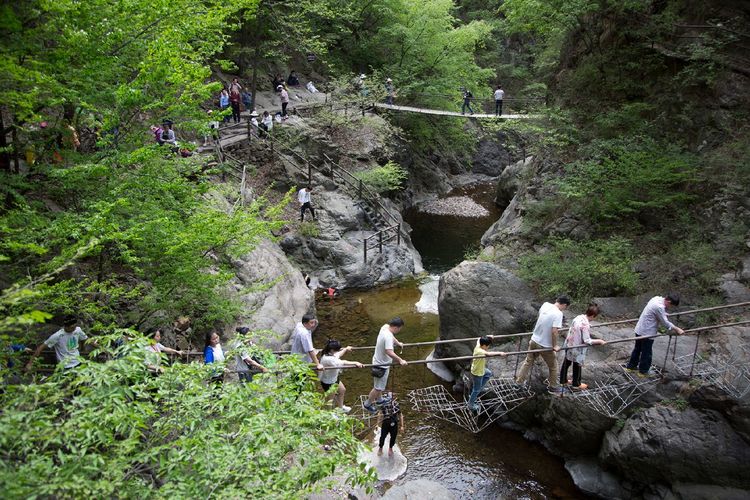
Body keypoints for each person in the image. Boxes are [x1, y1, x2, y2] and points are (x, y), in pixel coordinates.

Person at [515, 296, 570, 394]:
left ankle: (518, 383)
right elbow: (554, 332)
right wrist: (554, 346)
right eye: (565, 307)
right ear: (564, 305)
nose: (564, 309)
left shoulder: (545, 305)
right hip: (545, 345)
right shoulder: (558, 314)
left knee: (528, 362)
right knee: (553, 366)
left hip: (534, 340)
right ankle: (553, 387)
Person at [626, 294, 684, 377]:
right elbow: (665, 322)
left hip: (640, 328)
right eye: (671, 305)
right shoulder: (659, 307)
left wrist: (663, 313)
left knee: (638, 348)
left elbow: (656, 312)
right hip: (647, 332)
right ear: (669, 301)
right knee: (647, 352)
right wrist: (677, 329)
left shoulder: (656, 298)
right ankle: (643, 371)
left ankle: (631, 367)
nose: (670, 307)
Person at [364, 318, 408, 413]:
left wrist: (398, 343)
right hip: (381, 365)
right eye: (400, 328)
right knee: (378, 387)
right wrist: (400, 360)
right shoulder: (387, 336)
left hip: (379, 361)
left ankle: (379, 400)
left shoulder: (385, 327)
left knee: (380, 385)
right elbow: (389, 351)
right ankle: (367, 404)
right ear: (396, 327)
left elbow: (392, 337)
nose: (399, 330)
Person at [560, 304, 606, 390]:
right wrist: (599, 341)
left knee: (567, 362)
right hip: (577, 347)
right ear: (592, 315)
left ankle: (563, 380)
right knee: (577, 364)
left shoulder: (578, 317)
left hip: (569, 343)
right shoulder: (585, 325)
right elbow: (587, 340)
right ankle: (576, 384)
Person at [319, 339, 363, 412]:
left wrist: (345, 349)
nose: (338, 351)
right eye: (337, 349)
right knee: (330, 399)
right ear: (332, 350)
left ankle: (341, 407)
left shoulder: (329, 353)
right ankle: (329, 414)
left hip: (334, 378)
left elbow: (338, 354)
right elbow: (343, 362)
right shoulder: (328, 359)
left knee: (342, 390)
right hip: (328, 382)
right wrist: (356, 363)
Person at [468, 336, 507, 411]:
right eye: (487, 346)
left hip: (480, 369)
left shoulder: (478, 344)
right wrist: (500, 353)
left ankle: (481, 388)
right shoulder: (480, 351)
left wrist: (489, 336)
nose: (488, 347)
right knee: (476, 390)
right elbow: (489, 354)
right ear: (483, 345)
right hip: (477, 373)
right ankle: (470, 404)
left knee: (488, 373)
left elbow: (479, 338)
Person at [376, 392, 404, 458]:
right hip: (385, 423)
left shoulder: (396, 404)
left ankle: (390, 448)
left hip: (394, 423)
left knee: (393, 437)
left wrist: (402, 426)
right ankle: (380, 448)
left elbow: (400, 415)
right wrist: (377, 424)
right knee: (382, 437)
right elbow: (379, 414)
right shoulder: (383, 405)